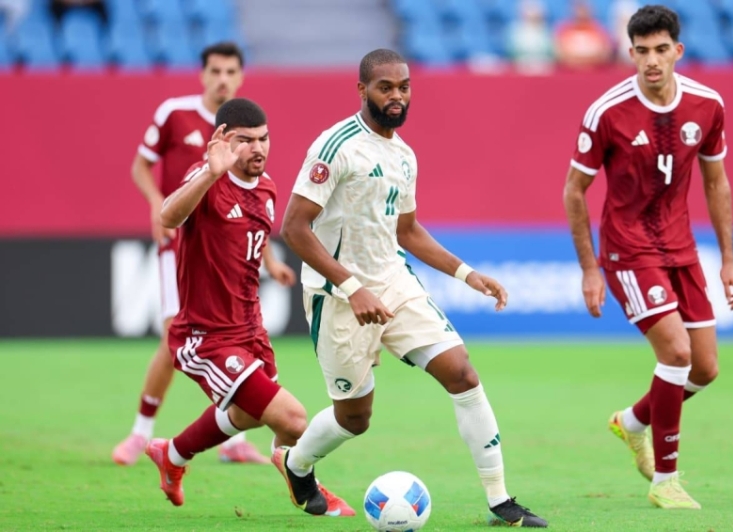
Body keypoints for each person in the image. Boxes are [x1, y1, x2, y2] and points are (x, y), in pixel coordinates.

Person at [275, 48, 549, 528]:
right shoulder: (335, 146)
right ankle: (297, 464)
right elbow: (294, 228)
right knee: (354, 418)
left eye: (403, 87)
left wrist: (467, 274)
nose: (396, 96)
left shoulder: (404, 155)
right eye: (385, 87)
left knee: (462, 374)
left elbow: (408, 231)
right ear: (362, 90)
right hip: (337, 298)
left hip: (394, 283)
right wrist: (353, 287)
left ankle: (500, 501)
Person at [563, 5, 733, 509]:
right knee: (677, 354)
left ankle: (632, 421)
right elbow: (574, 190)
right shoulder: (608, 112)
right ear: (630, 52)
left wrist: (729, 260)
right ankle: (665, 480)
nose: (652, 61)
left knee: (704, 368)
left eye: (661, 50)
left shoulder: (707, 105)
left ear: (678, 51)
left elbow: (717, 182)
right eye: (642, 51)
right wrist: (590, 268)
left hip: (681, 249)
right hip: (628, 249)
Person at [144, 98, 353, 517]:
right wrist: (210, 172)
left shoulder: (267, 187)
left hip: (250, 329)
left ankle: (172, 454)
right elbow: (168, 216)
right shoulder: (205, 178)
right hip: (206, 335)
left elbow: (249, 238)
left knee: (249, 414)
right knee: (292, 419)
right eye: (246, 140)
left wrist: (271, 263)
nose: (258, 148)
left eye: (264, 138)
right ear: (222, 140)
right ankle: (308, 488)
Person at [113, 42, 271, 465]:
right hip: (179, 242)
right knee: (176, 334)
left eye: (230, 72)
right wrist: (155, 203)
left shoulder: (245, 128)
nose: (223, 79)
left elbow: (253, 210)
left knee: (232, 334)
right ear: (202, 74)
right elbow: (140, 166)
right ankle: (140, 432)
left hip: (224, 252)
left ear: (240, 77)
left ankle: (232, 439)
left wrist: (272, 261)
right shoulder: (175, 113)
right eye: (215, 71)